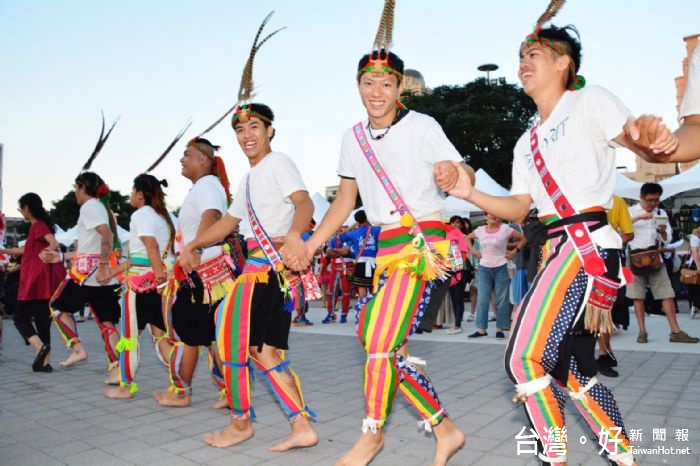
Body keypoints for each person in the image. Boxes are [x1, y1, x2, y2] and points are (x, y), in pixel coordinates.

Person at [437, 4, 682, 462]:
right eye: (521, 56)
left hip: (587, 247)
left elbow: (637, 141)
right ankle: (623, 456)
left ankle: (555, 457)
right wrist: (470, 193)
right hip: (558, 251)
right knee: (573, 370)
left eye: (535, 53)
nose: (524, 62)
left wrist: (652, 136)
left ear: (565, 62)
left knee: (522, 358)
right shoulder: (525, 141)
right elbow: (517, 206)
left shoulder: (590, 101)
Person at [288, 2, 469, 463]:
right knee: (376, 339)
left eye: (386, 83)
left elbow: (460, 168)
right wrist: (310, 245)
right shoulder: (352, 138)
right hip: (384, 249)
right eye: (368, 82)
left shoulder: (423, 126)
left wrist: (452, 171)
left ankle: (372, 432)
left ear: (398, 87)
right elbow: (345, 203)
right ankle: (444, 428)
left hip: (423, 245)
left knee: (382, 342)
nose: (377, 91)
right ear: (358, 86)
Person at [178, 101, 318, 451]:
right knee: (264, 352)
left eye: (254, 127)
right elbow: (228, 223)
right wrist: (193, 245)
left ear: (270, 130)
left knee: (228, 338)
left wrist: (295, 237)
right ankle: (301, 426)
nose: (247, 135)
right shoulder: (249, 178)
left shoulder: (278, 163)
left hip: (265, 269)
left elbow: (305, 204)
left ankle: (240, 422)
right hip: (273, 273)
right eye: (240, 130)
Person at [153, 137, 234, 407]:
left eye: (187, 154)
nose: (182, 159)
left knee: (186, 333)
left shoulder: (207, 185)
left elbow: (211, 216)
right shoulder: (206, 186)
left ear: (203, 159)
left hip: (201, 273)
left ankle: (181, 393)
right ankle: (230, 392)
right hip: (207, 273)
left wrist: (195, 250)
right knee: (210, 335)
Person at [42, 172, 122, 384]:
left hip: (87, 274)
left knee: (57, 307)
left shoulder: (89, 207)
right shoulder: (101, 207)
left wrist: (103, 265)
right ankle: (117, 369)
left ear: (83, 187)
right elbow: (90, 246)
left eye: (76, 188)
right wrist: (60, 256)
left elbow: (107, 235)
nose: (75, 193)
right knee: (107, 321)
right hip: (100, 274)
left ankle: (77, 348)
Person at [105, 174, 176, 399]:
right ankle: (180, 384)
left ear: (140, 194)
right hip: (157, 281)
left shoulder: (142, 215)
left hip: (140, 286)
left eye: (132, 191)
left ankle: (126, 387)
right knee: (161, 335)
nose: (130, 196)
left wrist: (158, 280)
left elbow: (150, 246)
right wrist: (112, 272)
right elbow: (142, 254)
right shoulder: (164, 217)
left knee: (129, 337)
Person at [626, 183, 698, 344]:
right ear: (641, 197)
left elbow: (668, 239)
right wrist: (639, 217)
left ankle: (675, 331)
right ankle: (642, 332)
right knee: (638, 296)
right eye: (649, 200)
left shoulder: (661, 212)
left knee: (667, 293)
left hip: (655, 257)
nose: (653, 204)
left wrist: (663, 232)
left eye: (656, 200)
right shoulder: (630, 212)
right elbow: (619, 230)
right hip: (634, 258)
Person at [0, 193, 65, 372]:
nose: (21, 212)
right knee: (43, 320)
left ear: (27, 207)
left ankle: (39, 348)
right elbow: (24, 250)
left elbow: (54, 242)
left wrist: (47, 252)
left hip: (34, 280)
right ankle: (45, 363)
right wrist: (4, 249)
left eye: (21, 208)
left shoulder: (38, 226)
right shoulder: (37, 227)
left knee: (20, 318)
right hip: (42, 281)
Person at [465, 213, 523, 339]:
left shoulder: (505, 229)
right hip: (484, 268)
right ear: (485, 217)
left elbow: (523, 239)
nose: (494, 217)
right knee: (482, 299)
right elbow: (467, 238)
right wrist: (473, 251)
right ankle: (481, 329)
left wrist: (514, 251)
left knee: (502, 299)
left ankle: (500, 329)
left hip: (501, 267)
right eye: (490, 215)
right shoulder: (480, 231)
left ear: (500, 217)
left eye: (496, 215)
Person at [596, 195, 634, 378]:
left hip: (607, 262)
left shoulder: (616, 201)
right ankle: (601, 355)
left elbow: (628, 233)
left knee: (603, 309)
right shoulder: (575, 197)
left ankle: (604, 354)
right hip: (577, 261)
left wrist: (610, 242)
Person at [341, 210, 381, 302]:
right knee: (374, 285)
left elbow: (341, 237)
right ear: (367, 218)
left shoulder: (353, 233)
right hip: (374, 262)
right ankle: (373, 306)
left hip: (360, 262)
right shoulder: (376, 230)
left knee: (362, 286)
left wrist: (353, 225)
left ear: (357, 221)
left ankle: (362, 307)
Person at [322, 226, 354, 323]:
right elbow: (328, 253)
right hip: (335, 268)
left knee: (346, 292)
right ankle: (330, 314)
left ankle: (344, 314)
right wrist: (340, 252)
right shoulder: (333, 239)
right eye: (339, 229)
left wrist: (335, 251)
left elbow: (346, 251)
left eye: (343, 229)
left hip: (348, 269)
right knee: (331, 292)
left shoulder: (351, 239)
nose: (341, 231)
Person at [446, 216, 470, 334]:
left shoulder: (464, 237)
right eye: (453, 223)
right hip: (449, 269)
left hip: (462, 268)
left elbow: (467, 253)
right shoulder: (445, 236)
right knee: (453, 297)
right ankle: (457, 323)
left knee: (458, 297)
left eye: (458, 223)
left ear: (461, 225)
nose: (455, 225)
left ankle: (457, 324)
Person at [686, 226, 700, 318]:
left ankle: (696, 305)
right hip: (696, 264)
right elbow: (694, 251)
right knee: (694, 286)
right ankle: (694, 305)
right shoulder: (695, 237)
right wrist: (698, 265)